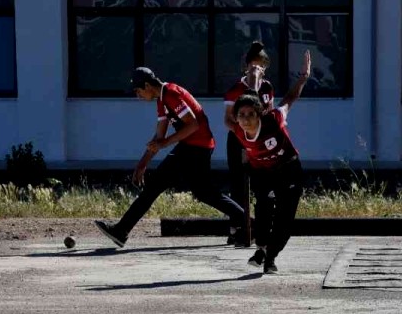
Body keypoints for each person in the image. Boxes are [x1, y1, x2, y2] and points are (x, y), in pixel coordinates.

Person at [94, 67, 248, 248]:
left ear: (147, 85)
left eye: (138, 91)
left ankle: (121, 230)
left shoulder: (171, 95)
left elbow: (193, 125)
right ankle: (246, 221)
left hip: (197, 146)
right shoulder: (161, 100)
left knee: (155, 186)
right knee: (204, 193)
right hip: (194, 146)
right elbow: (159, 137)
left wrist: (165, 143)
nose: (138, 96)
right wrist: (143, 163)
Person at [228, 50, 311, 274]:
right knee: (263, 211)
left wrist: (302, 78)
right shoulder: (237, 131)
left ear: (259, 114)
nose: (246, 120)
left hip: (288, 169)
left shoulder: (273, 120)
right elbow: (248, 97)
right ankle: (262, 248)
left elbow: (289, 99)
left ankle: (270, 257)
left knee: (284, 218)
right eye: (241, 115)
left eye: (250, 115)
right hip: (263, 172)